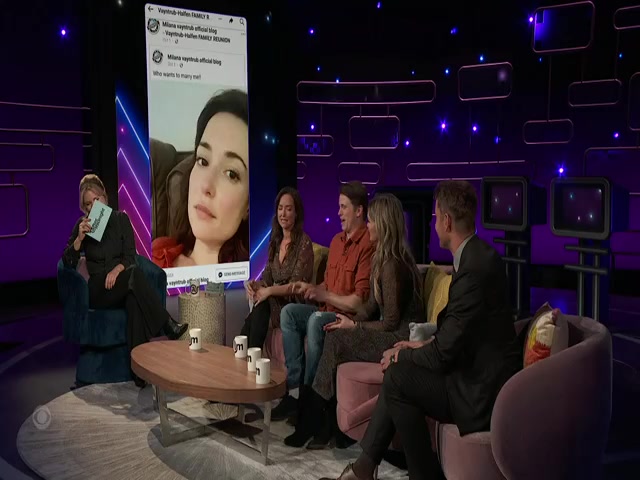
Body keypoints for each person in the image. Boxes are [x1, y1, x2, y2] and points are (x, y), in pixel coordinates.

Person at [321, 180, 521, 480]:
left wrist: (401, 355)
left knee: (397, 375)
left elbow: (444, 353)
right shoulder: (476, 256)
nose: (433, 223)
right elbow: (457, 334)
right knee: (398, 376)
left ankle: (386, 471)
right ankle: (374, 469)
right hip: (467, 370)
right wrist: (415, 346)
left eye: (436, 216)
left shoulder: (474, 270)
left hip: (476, 390)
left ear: (447, 221)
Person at [290, 193, 424, 450]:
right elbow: (370, 307)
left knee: (337, 341)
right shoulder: (382, 259)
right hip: (389, 331)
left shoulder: (394, 265)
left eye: (371, 221)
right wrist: (348, 320)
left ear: (383, 224)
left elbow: (391, 323)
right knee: (335, 333)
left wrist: (355, 327)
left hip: (400, 338)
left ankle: (314, 420)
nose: (368, 226)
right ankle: (327, 423)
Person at [62, 175, 188, 387]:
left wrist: (117, 270)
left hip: (120, 282)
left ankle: (139, 371)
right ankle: (165, 324)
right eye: (88, 204)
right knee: (134, 277)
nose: (93, 206)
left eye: (96, 200)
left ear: (105, 198)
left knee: (133, 299)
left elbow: (130, 256)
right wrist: (79, 240)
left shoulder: (121, 220)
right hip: (98, 290)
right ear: (84, 208)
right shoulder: (82, 226)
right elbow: (67, 262)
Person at [275, 181, 375, 446]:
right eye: (339, 207)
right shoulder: (336, 241)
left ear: (359, 211)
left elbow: (359, 303)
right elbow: (328, 287)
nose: (339, 212)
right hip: (325, 308)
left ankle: (310, 409)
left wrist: (325, 296)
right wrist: (312, 288)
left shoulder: (368, 245)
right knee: (289, 313)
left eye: (343, 207)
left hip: (346, 317)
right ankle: (294, 392)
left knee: (315, 321)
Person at [152, 89, 249, 268]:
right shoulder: (155, 254)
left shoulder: (259, 277)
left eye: (231, 174)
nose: (206, 185)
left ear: (249, 206)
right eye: (203, 161)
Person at [240, 187, 315, 349]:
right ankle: (247, 353)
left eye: (288, 209)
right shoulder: (275, 241)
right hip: (273, 302)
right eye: (280, 208)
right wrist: (254, 285)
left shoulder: (304, 243)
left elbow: (297, 287)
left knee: (262, 303)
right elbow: (267, 278)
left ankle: (247, 353)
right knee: (260, 302)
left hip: (292, 306)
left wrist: (269, 291)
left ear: (296, 213)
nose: (283, 214)